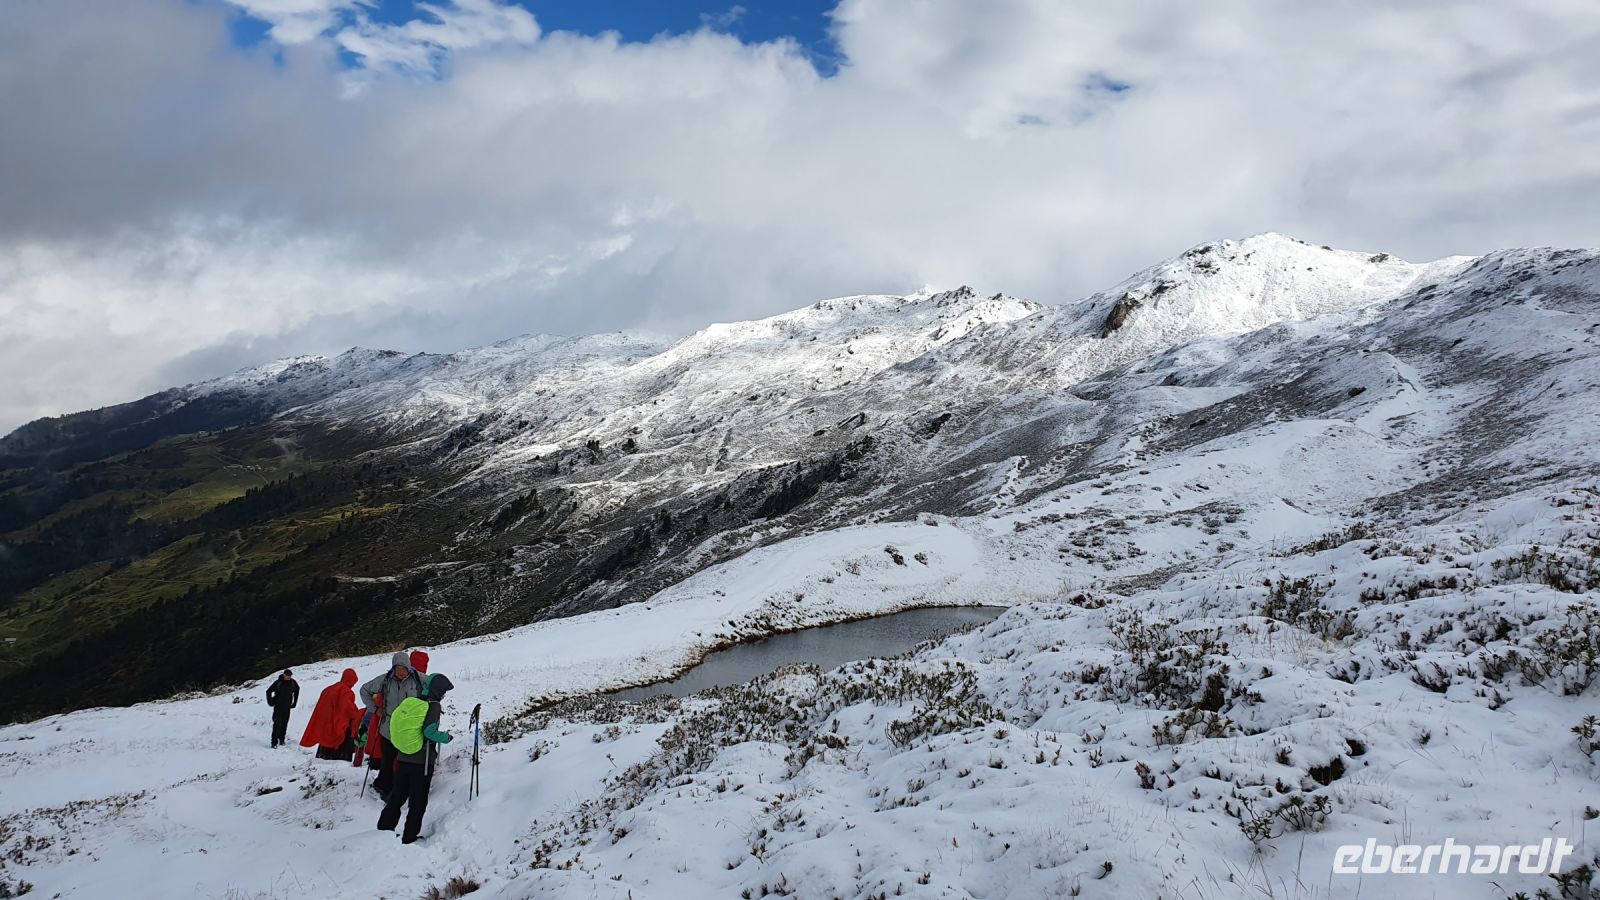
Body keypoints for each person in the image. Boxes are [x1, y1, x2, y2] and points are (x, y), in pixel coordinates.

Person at [378, 673, 454, 843]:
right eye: (444, 691)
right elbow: (429, 732)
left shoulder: (412, 701)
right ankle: (409, 837)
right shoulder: (433, 706)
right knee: (418, 802)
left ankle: (383, 831)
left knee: (397, 796)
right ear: (438, 690)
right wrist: (445, 737)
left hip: (403, 757)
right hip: (422, 762)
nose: (444, 695)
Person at [360, 652, 422, 799]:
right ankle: (384, 787)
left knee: (405, 760)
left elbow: (435, 686)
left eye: (403, 668)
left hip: (409, 729)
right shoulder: (385, 680)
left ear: (409, 667)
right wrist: (375, 709)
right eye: (397, 668)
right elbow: (364, 690)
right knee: (388, 759)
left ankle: (403, 787)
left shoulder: (418, 679)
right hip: (388, 728)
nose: (400, 671)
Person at [299, 668, 363, 760]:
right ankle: (338, 761)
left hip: (325, 723)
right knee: (341, 744)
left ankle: (322, 759)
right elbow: (348, 709)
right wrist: (359, 714)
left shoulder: (328, 689)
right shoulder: (346, 692)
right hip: (339, 725)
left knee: (325, 744)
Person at [265, 669, 299, 748]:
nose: (289, 677)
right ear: (284, 675)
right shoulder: (278, 682)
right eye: (287, 675)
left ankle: (282, 739)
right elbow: (268, 691)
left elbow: (297, 690)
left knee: (284, 724)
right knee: (277, 725)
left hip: (287, 707)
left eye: (290, 675)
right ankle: (274, 742)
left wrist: (294, 703)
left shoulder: (293, 683)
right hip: (278, 707)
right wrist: (270, 702)